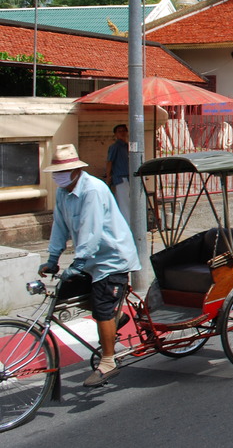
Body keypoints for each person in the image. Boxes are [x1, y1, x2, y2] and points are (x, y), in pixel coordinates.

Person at [38, 144, 141, 387]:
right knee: (68, 292)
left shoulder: (93, 189)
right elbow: (59, 227)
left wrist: (79, 261)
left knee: (103, 307)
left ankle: (108, 361)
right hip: (90, 260)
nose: (58, 176)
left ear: (75, 170)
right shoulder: (63, 192)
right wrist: (53, 259)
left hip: (111, 259)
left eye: (62, 171)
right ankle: (115, 320)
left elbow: (91, 230)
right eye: (56, 172)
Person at [105, 124, 130, 220]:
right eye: (119, 131)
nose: (122, 133)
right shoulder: (115, 147)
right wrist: (108, 177)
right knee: (124, 204)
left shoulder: (127, 146)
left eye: (124, 131)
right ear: (115, 134)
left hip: (129, 178)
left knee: (129, 203)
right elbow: (109, 162)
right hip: (120, 178)